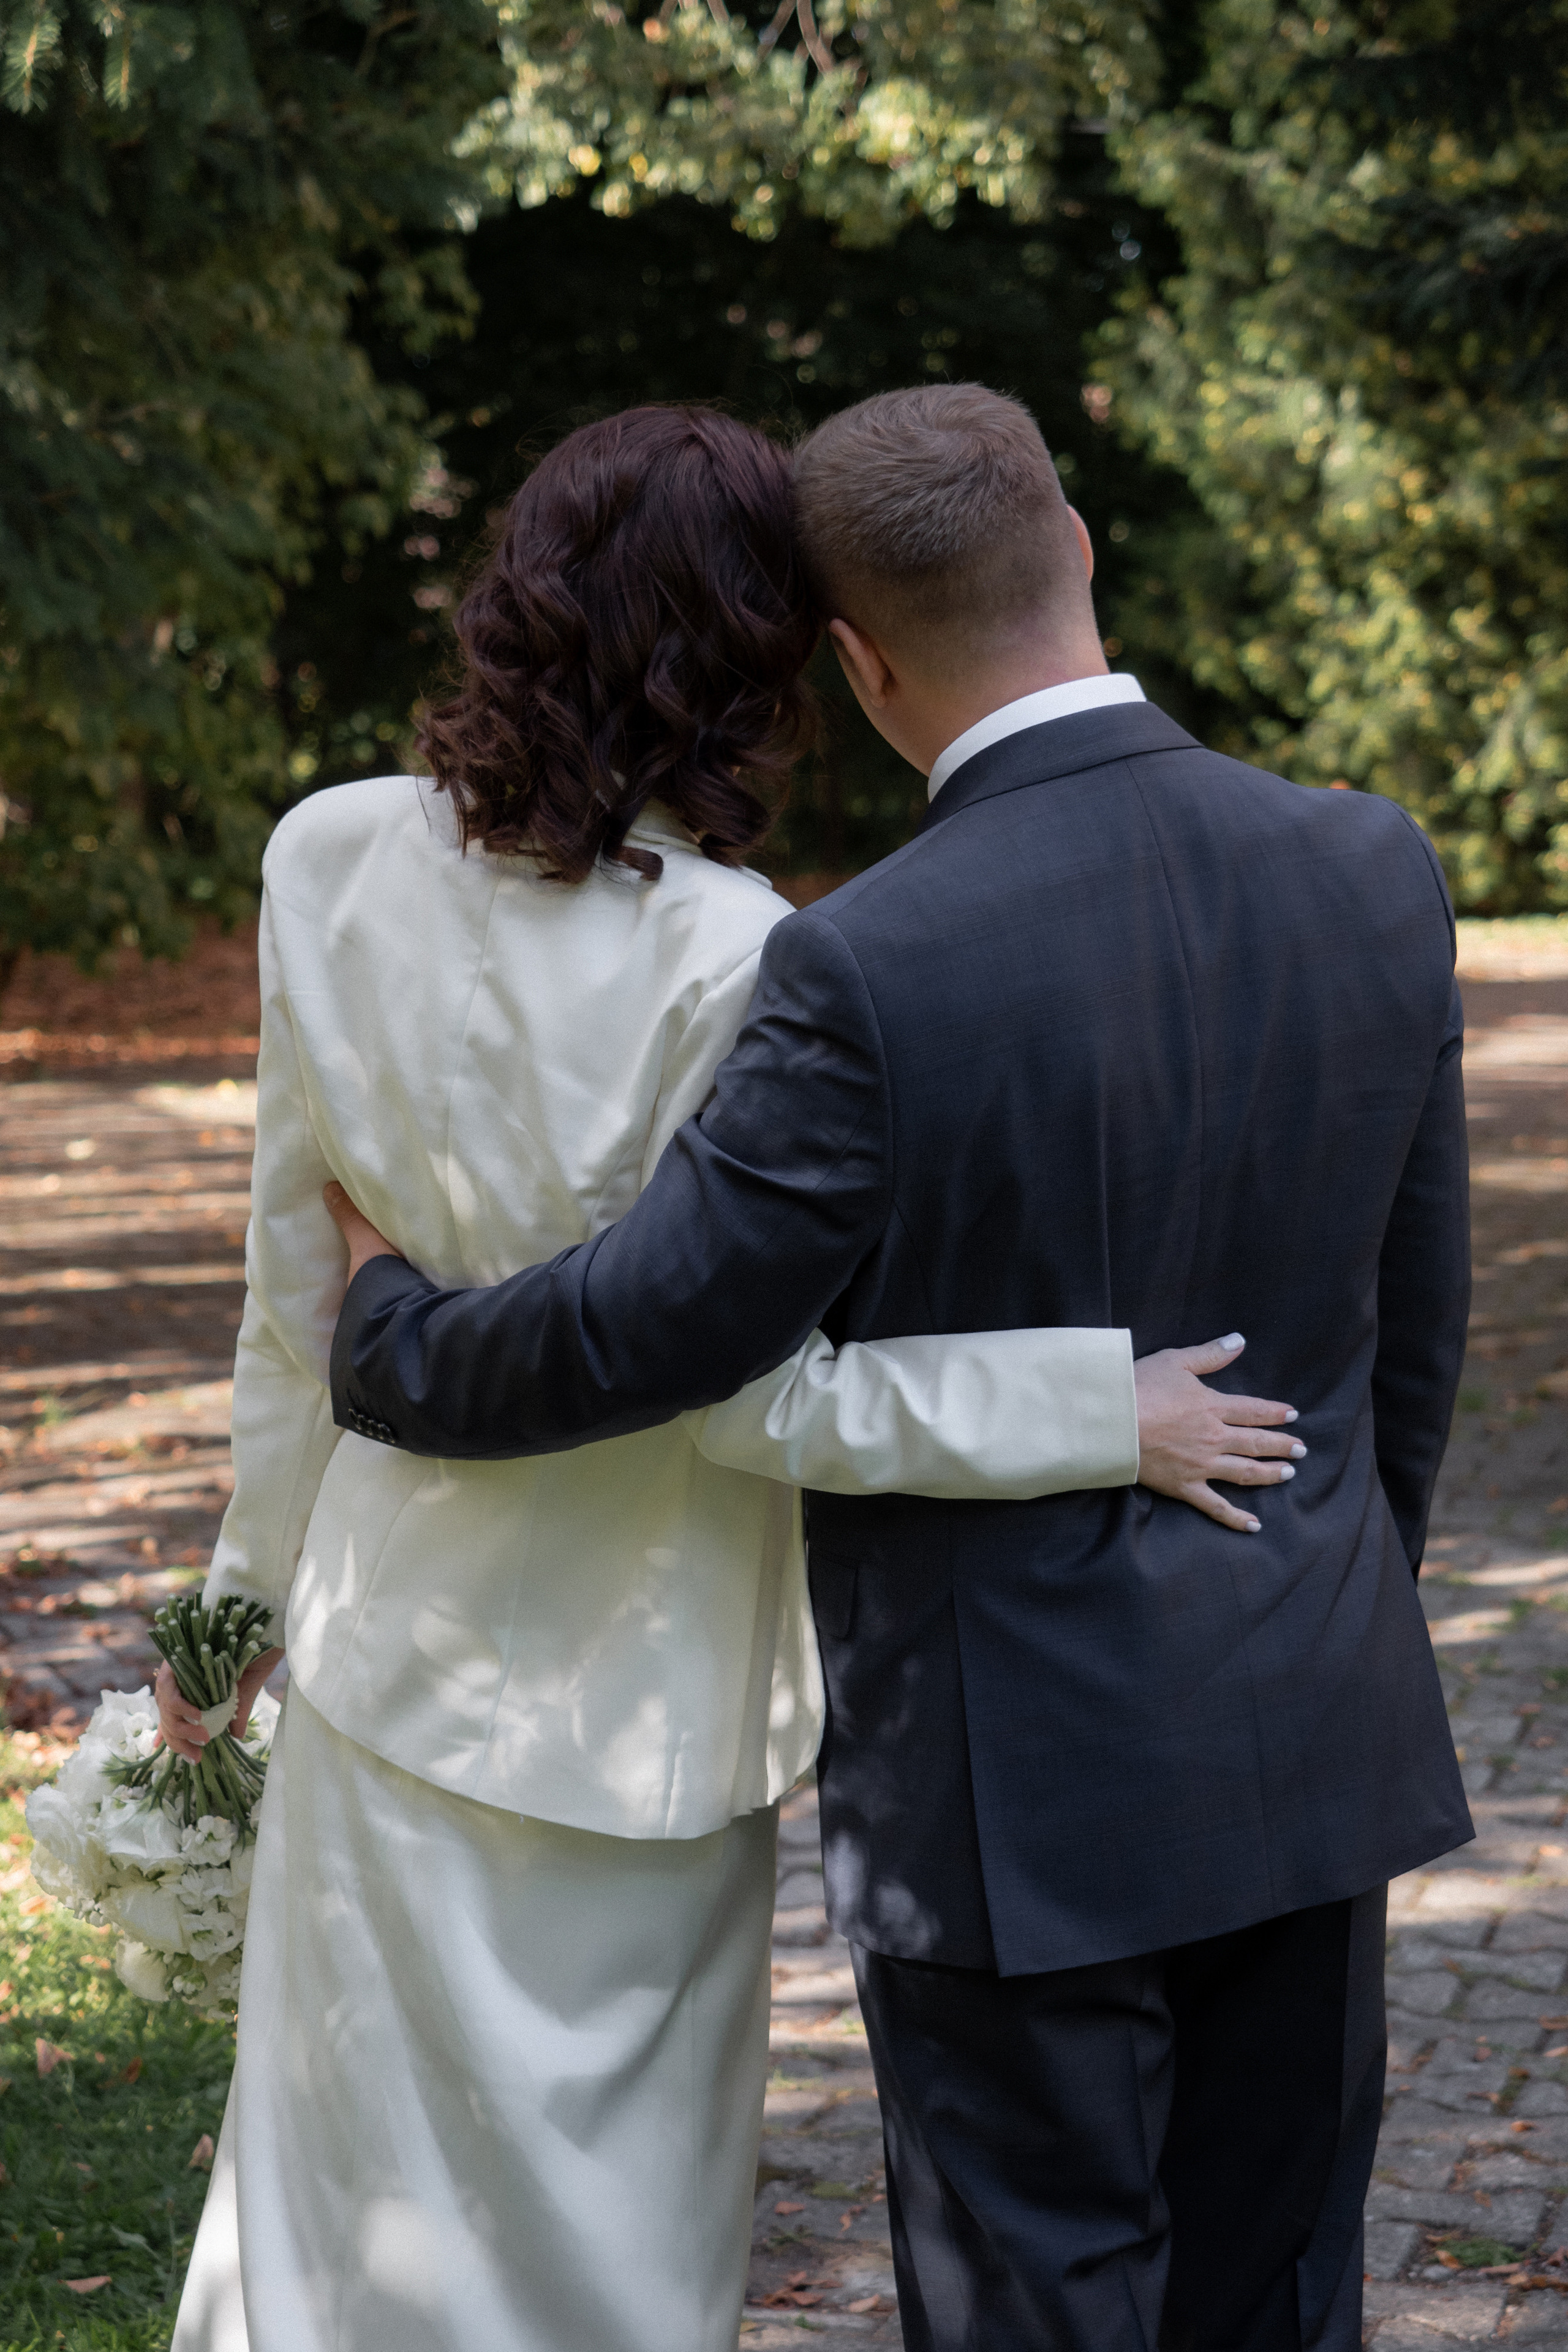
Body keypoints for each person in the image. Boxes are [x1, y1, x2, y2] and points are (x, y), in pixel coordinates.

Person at [329, 383, 1476, 2352]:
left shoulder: (868, 965)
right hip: (1311, 1717)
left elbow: (655, 1326)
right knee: (1279, 2300)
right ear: (1081, 549)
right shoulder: (1372, 865)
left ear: (855, 663)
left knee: (1034, 2303)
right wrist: (1330, 1603)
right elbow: (1417, 1333)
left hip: (1009, 1797)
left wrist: (389, 1340)